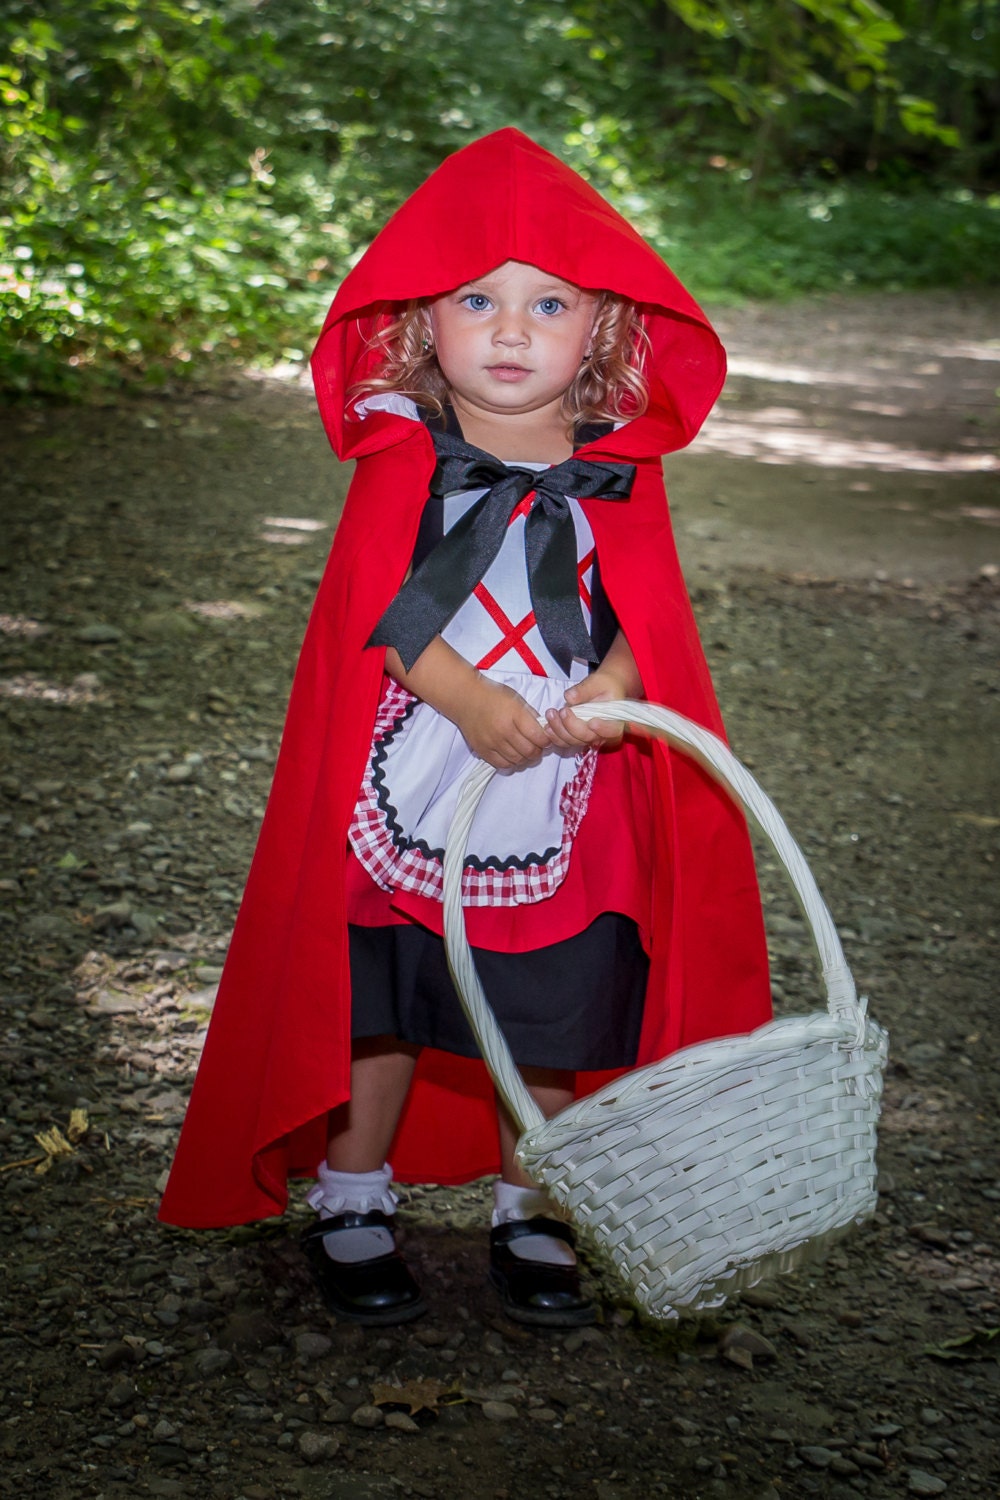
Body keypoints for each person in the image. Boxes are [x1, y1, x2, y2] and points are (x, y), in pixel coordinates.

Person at [158, 129, 771, 1329]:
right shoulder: (403, 450)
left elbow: (644, 615)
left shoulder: (617, 463)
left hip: (562, 777)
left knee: (546, 998)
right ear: (419, 320)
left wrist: (612, 687)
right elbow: (376, 616)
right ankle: (352, 1192)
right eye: (474, 299)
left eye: (547, 304)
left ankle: (528, 1200)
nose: (507, 330)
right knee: (385, 991)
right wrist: (469, 699)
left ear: (598, 329)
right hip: (413, 755)